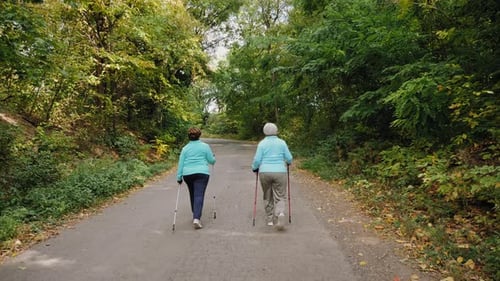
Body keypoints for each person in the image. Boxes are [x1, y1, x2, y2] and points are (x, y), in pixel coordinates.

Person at [251, 122, 293, 230]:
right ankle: (280, 214)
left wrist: (254, 167)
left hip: (265, 172)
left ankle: (269, 219)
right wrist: (288, 162)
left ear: (264, 131)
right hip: (280, 171)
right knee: (280, 195)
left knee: (267, 195)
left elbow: (257, 160)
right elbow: (289, 158)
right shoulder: (282, 143)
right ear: (276, 131)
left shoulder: (262, 144)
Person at [176, 127, 216, 229]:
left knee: (192, 193)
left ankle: (195, 213)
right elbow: (211, 160)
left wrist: (179, 177)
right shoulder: (205, 146)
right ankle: (196, 218)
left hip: (187, 174)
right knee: (199, 194)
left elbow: (181, 163)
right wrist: (213, 158)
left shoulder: (185, 149)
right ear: (199, 135)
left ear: (188, 136)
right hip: (202, 173)